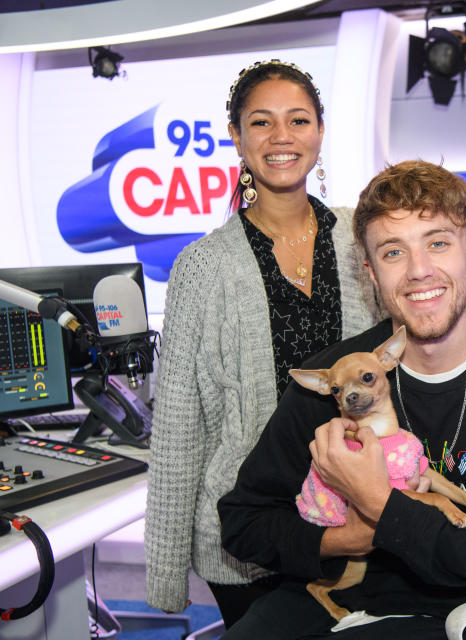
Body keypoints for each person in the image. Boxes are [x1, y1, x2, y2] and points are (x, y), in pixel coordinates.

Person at [217, 160, 466, 639]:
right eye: (393, 252)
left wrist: (377, 502)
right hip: (330, 598)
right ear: (369, 271)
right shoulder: (340, 375)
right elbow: (244, 523)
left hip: (455, 610)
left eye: (437, 242)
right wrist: (348, 537)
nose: (419, 271)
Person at [144, 60, 379, 627]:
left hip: (356, 515)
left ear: (320, 131)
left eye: (298, 120)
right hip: (247, 536)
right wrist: (165, 574)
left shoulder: (361, 241)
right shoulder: (201, 267)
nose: (281, 138)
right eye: (261, 123)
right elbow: (179, 426)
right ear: (237, 138)